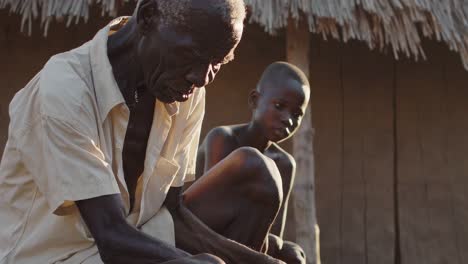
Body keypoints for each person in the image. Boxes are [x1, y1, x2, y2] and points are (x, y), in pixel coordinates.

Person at [0, 0, 286, 263]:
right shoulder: (65, 89)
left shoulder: (182, 88)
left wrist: (261, 262)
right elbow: (111, 236)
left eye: (217, 63)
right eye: (192, 55)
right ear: (149, 17)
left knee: (257, 175)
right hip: (60, 256)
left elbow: (173, 211)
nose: (202, 77)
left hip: (137, 235)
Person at [191, 62, 310, 264]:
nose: (288, 120)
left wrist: (280, 248)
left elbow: (272, 232)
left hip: (245, 238)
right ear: (255, 100)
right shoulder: (223, 138)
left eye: (297, 114)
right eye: (280, 106)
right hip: (199, 234)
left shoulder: (284, 164)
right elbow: (209, 217)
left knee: (293, 255)